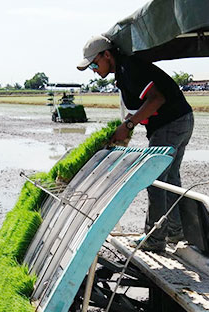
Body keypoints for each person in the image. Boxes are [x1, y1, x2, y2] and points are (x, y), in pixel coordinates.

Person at [77, 35, 194, 252]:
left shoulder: (128, 68)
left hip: (170, 124)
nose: (94, 69)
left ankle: (154, 238)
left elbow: (156, 99)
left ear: (107, 55)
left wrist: (129, 125)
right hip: (181, 120)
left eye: (94, 63)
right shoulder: (124, 71)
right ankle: (175, 232)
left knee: (155, 180)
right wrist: (128, 126)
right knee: (170, 179)